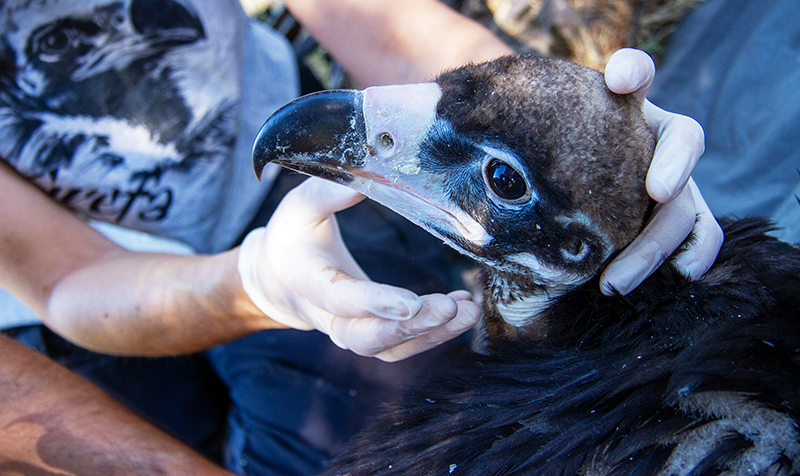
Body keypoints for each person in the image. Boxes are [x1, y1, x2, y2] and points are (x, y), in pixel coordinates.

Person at [0, 0, 719, 474]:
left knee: (469, 434)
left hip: (303, 180)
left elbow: (390, 30)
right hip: (78, 308)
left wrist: (585, 137)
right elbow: (66, 278)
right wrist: (256, 285)